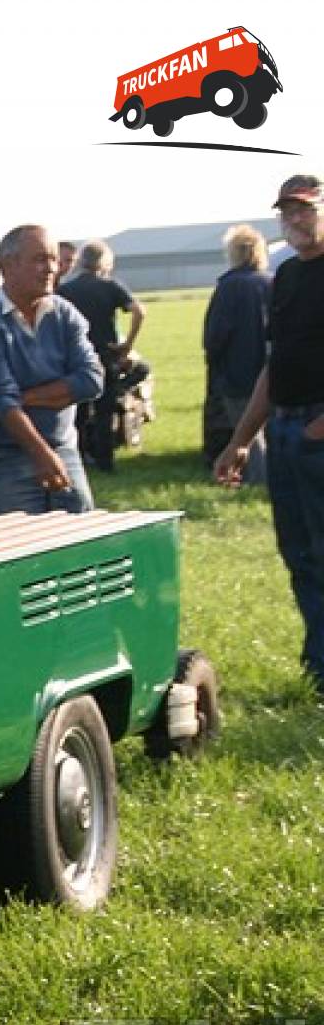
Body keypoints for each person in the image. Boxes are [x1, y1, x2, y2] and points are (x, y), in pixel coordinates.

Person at [215, 174, 324, 696]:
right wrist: (241, 439)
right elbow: (273, 366)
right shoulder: (287, 278)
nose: (295, 220)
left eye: (305, 209)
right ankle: (319, 663)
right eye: (287, 212)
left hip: (317, 428)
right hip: (283, 429)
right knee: (298, 552)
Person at [0, 225, 104, 514]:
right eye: (39, 259)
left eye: (53, 259)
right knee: (19, 550)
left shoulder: (64, 314)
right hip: (2, 459)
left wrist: (24, 399)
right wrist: (41, 454)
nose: (51, 268)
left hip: (62, 450)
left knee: (82, 547)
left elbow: (92, 380)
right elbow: (0, 401)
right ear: (7, 266)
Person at [57, 240, 145, 473]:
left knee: (79, 413)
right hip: (105, 355)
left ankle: (79, 459)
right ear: (104, 263)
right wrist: (127, 344)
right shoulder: (110, 287)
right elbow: (139, 311)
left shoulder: (66, 290)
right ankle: (105, 461)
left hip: (75, 358)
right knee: (105, 411)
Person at [202, 223, 274, 480]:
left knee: (249, 437)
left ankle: (258, 482)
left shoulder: (228, 287)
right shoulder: (274, 282)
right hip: (274, 369)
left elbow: (215, 337)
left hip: (239, 373)